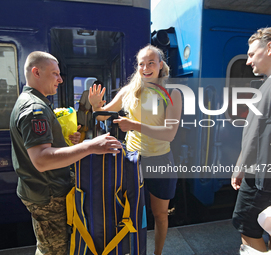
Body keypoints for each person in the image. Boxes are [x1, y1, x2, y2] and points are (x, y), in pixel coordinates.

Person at [9, 51, 122, 255]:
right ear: (36, 72)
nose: (60, 79)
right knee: (54, 250)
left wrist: (67, 143)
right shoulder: (35, 108)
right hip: (48, 193)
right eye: (55, 73)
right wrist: (91, 146)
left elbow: (42, 147)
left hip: (41, 190)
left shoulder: (31, 101)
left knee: (48, 246)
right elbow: (42, 160)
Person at [89, 44, 182, 255]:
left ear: (160, 65)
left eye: (151, 63)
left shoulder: (172, 94)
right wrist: (96, 106)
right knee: (130, 214)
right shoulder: (128, 91)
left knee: (160, 215)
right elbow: (103, 115)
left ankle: (157, 253)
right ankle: (134, 250)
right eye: (141, 64)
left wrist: (134, 125)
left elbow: (169, 134)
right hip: (132, 161)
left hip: (160, 161)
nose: (146, 67)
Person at [231, 26, 271, 253]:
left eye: (251, 54)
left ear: (270, 48)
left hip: (264, 179)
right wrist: (240, 165)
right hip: (268, 175)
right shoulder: (270, 82)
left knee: (247, 228)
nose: (248, 61)